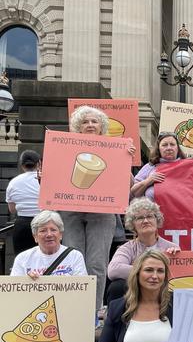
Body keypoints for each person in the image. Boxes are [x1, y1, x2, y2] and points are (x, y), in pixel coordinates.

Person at [61, 105, 133, 313]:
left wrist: (125, 160)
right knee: (73, 260)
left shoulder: (115, 148)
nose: (90, 125)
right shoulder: (65, 147)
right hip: (70, 210)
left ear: (102, 126)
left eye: (94, 121)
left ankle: (92, 311)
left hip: (102, 211)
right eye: (85, 122)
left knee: (97, 263)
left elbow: (128, 184)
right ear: (77, 126)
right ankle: (73, 310)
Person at [106, 198, 179, 305]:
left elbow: (180, 276)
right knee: (117, 287)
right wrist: (146, 272)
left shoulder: (171, 247)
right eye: (139, 218)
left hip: (162, 291)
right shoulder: (127, 248)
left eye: (149, 216)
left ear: (157, 220)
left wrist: (177, 257)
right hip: (136, 292)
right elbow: (113, 270)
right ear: (133, 225)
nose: (145, 221)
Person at [11, 210, 87, 278]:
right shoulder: (22, 259)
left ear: (60, 234)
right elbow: (14, 290)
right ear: (35, 236)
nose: (49, 234)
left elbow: (83, 289)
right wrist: (26, 281)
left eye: (53, 230)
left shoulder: (75, 256)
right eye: (43, 231)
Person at [131, 132, 187, 201]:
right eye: (164, 145)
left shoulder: (187, 168)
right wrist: (148, 181)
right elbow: (134, 192)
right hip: (153, 211)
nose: (169, 148)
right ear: (158, 148)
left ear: (177, 148)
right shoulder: (150, 167)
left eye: (172, 144)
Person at [6, 150, 41, 254]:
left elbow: (12, 210)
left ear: (22, 165)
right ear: (39, 163)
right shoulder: (46, 180)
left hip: (22, 224)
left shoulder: (13, 182)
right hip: (44, 222)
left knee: (22, 259)